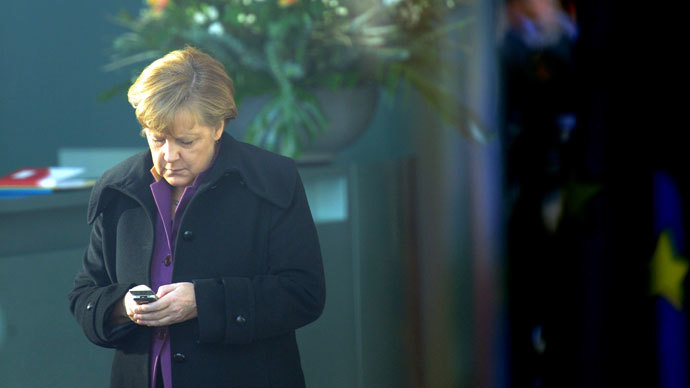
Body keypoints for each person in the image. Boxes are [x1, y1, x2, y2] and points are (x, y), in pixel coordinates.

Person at [68, 47, 326, 388]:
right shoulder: (117, 188)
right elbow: (84, 294)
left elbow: (303, 294)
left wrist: (203, 303)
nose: (169, 155)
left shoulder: (274, 179)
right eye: (157, 138)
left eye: (186, 141)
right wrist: (122, 305)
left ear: (218, 126)